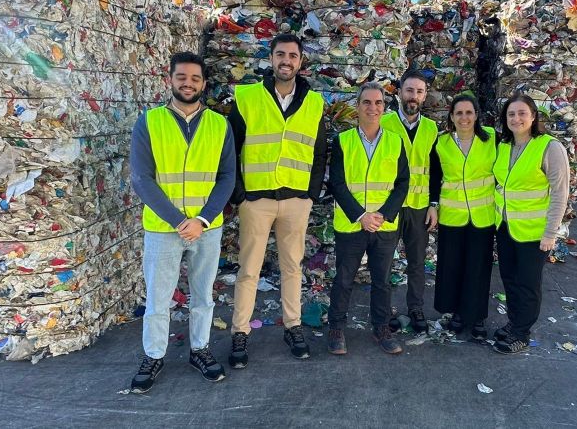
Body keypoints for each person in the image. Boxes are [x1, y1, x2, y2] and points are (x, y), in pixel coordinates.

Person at [129, 52, 236, 392]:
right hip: (164, 228)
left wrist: (202, 219)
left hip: (207, 228)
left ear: (204, 84)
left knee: (203, 295)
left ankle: (200, 349)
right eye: (181, 77)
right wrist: (179, 220)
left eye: (195, 78)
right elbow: (142, 179)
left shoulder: (219, 125)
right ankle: (154, 355)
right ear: (170, 80)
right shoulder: (150, 122)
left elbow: (227, 177)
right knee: (158, 298)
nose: (188, 83)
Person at [227, 33, 328, 368]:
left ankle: (293, 326)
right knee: (249, 270)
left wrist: (311, 194)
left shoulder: (314, 102)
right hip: (256, 200)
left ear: (301, 61)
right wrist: (239, 194)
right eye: (281, 54)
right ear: (271, 58)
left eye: (293, 56)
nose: (287, 61)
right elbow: (231, 148)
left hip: (296, 200)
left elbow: (320, 151)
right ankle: (240, 332)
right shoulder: (247, 97)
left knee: (292, 268)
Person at [327, 83, 410, 355]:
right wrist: (361, 216)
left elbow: (402, 184)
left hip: (384, 225)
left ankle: (381, 328)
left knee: (382, 280)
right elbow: (337, 183)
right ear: (357, 106)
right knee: (344, 279)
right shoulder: (343, 140)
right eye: (367, 102)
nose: (373, 108)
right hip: (352, 224)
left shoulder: (395, 141)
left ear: (384, 108)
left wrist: (383, 215)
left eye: (378, 103)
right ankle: (336, 328)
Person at [492, 92, 570, 354]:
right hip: (506, 227)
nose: (516, 119)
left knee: (527, 283)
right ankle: (514, 322)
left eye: (522, 113)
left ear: (534, 116)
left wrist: (551, 233)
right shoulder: (504, 146)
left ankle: (521, 333)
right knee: (510, 279)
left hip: (535, 232)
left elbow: (559, 193)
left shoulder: (549, 147)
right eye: (511, 114)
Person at [431, 93, 496, 340]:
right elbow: (434, 176)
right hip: (452, 216)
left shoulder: (492, 139)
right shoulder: (442, 143)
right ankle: (457, 312)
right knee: (453, 266)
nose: (464, 118)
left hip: (482, 215)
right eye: (459, 113)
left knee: (478, 268)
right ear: (451, 116)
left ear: (476, 115)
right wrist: (432, 205)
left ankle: (477, 316)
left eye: (469, 112)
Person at [380, 70, 439, 333]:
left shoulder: (431, 128)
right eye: (409, 90)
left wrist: (434, 204)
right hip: (390, 205)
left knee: (416, 262)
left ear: (424, 96)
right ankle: (383, 310)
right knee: (384, 261)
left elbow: (435, 170)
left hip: (419, 206)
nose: (413, 96)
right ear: (400, 92)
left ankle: (415, 308)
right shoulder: (385, 123)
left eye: (419, 91)